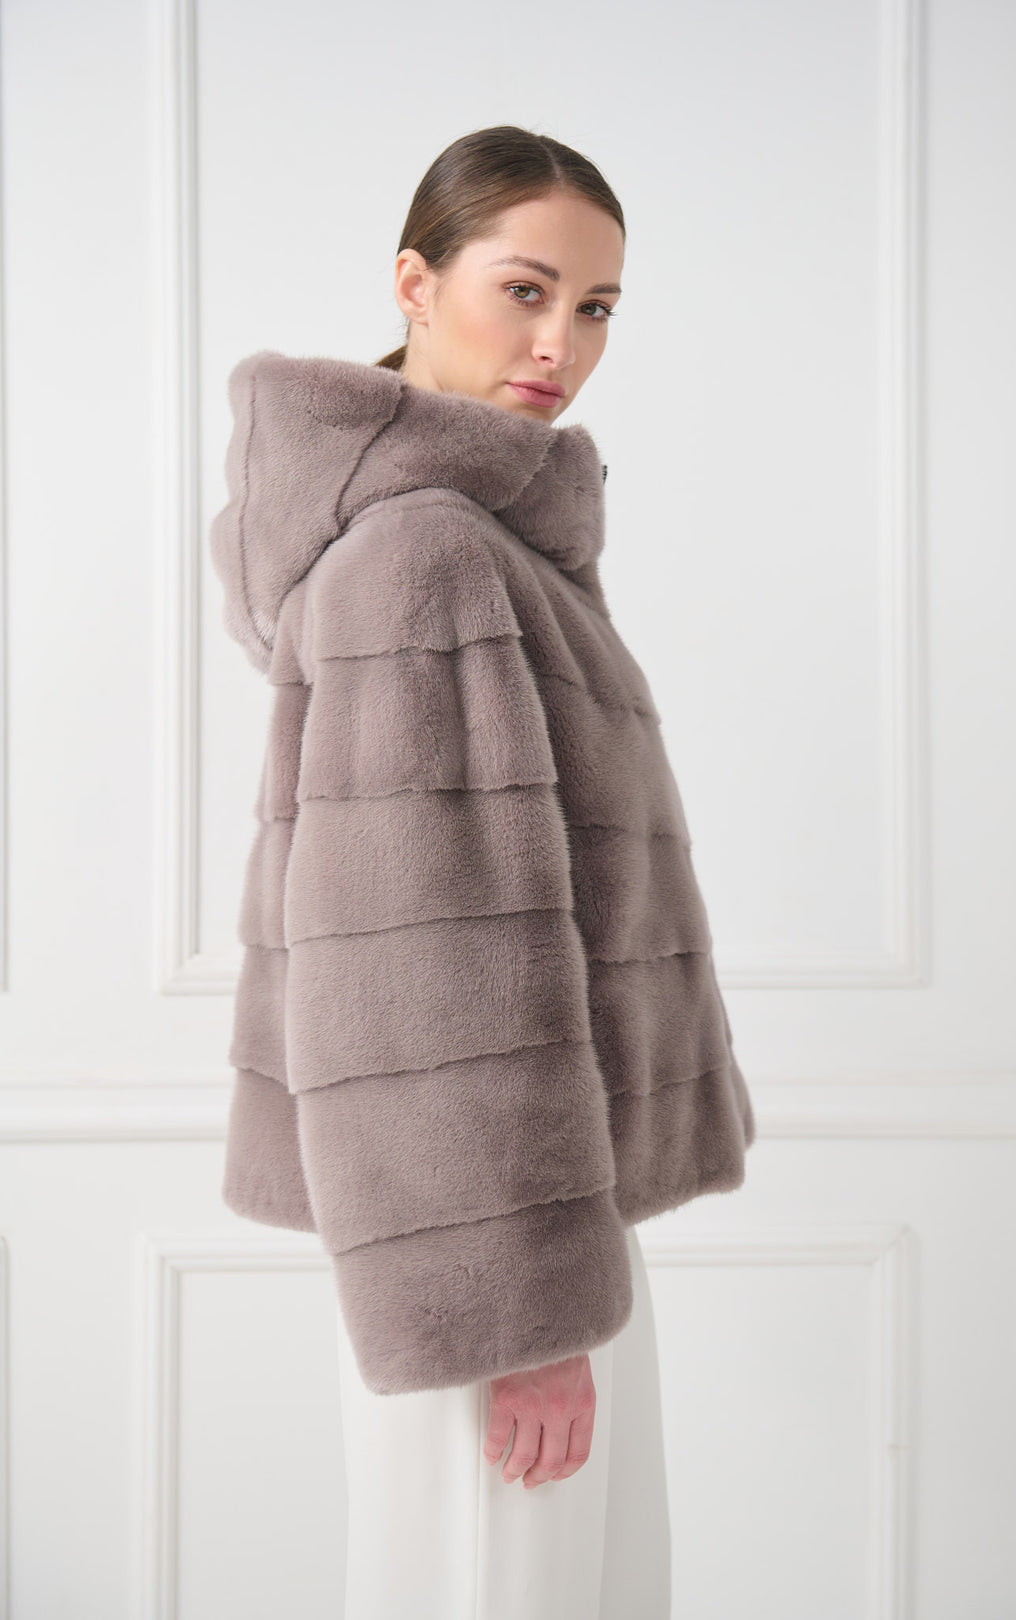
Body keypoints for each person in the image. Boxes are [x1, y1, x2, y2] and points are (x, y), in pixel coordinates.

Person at [209, 124, 756, 1620]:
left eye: (596, 306)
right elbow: (435, 971)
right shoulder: (427, 556)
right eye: (524, 290)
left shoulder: (482, 541)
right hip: (495, 1262)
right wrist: (524, 1316)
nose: (560, 343)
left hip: (528, 1229)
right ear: (414, 281)